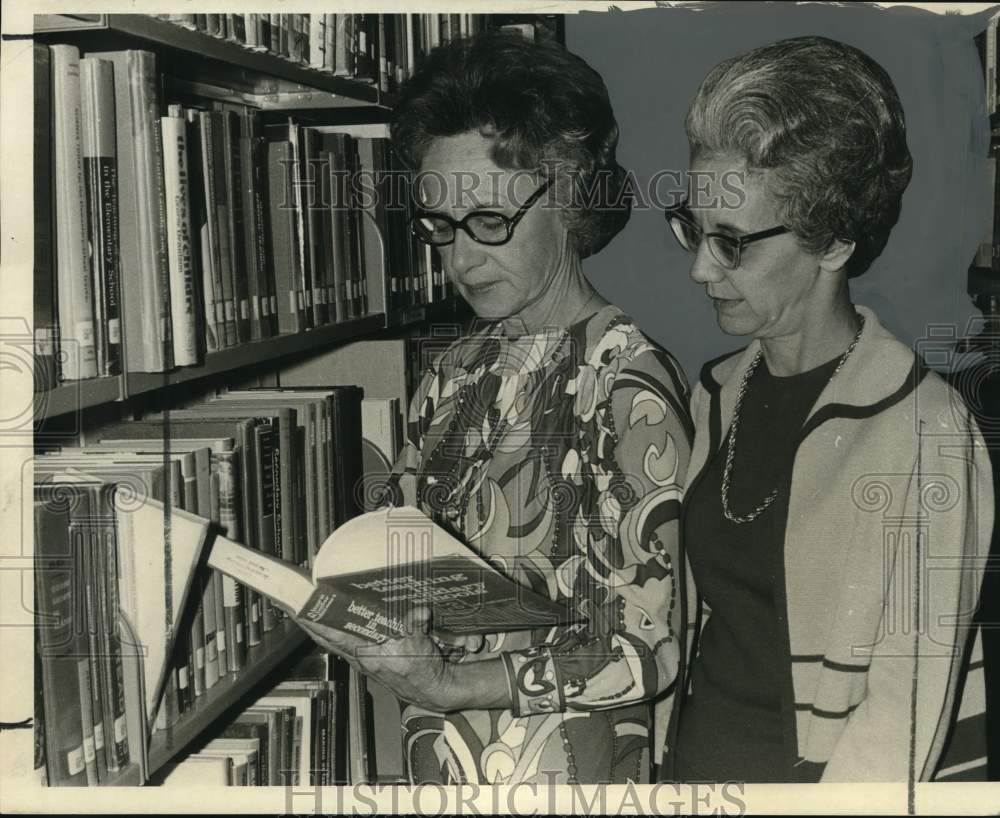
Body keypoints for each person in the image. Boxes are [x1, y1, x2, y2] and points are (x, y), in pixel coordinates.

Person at [293, 32, 693, 785]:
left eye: (489, 221)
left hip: (570, 772)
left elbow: (647, 643)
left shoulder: (627, 381)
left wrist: (458, 682)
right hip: (438, 762)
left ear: (570, 194)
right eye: (439, 227)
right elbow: (403, 570)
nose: (461, 258)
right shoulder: (450, 376)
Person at [661, 35, 993, 782]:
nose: (698, 267)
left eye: (732, 244)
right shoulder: (713, 394)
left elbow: (903, 724)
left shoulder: (925, 431)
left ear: (835, 239)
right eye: (691, 226)